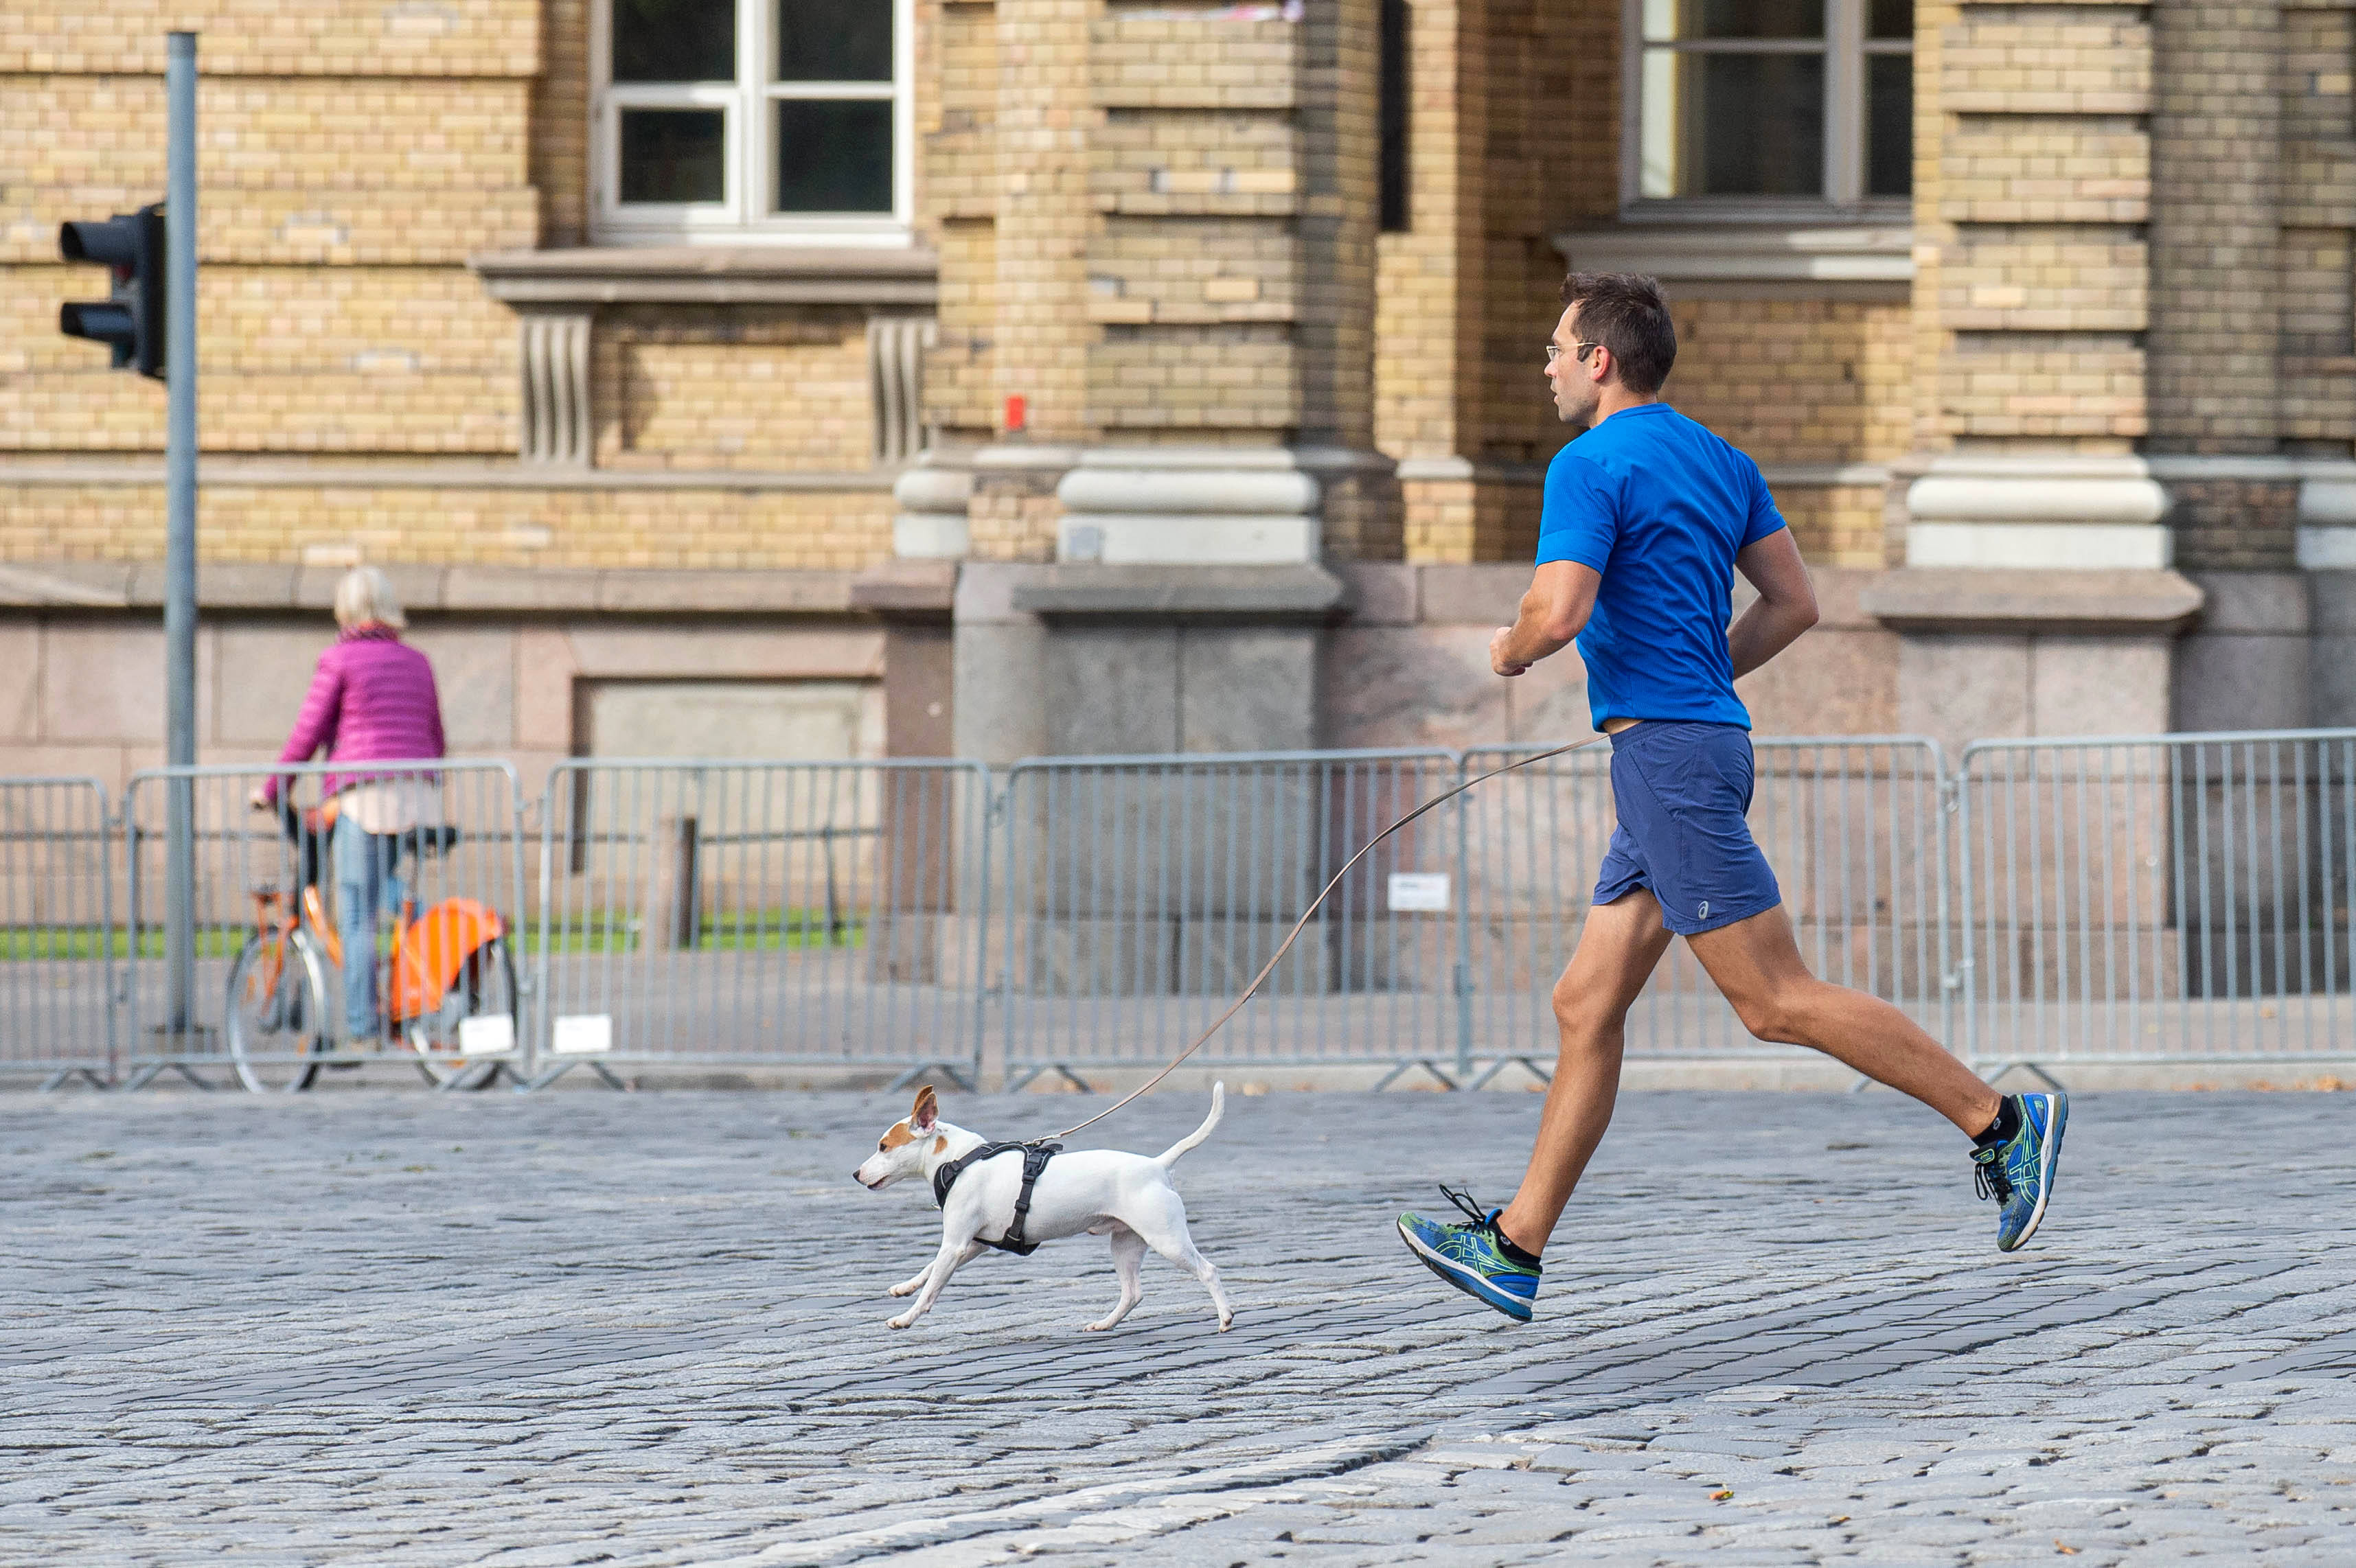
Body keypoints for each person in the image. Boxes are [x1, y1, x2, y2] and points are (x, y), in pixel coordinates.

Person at [1395, 273, 2066, 1324]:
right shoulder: (1719, 458)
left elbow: (1557, 608)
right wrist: (1694, 681)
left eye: (1557, 347)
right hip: (1696, 742)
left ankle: (1998, 1121)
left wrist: (1508, 649)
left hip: (1667, 759)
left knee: (1771, 1000)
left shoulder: (1586, 463)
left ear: (1600, 361)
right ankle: (1514, 1247)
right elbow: (1794, 604)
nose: (1548, 365)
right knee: (1583, 1003)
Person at [253, 567, 447, 1046]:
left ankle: (363, 1025)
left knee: (357, 911)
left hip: (363, 798)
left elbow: (308, 733)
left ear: (345, 609)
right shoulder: (418, 661)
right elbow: (436, 738)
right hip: (416, 795)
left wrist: (272, 790)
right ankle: (419, 919)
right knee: (383, 888)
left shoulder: (339, 659)